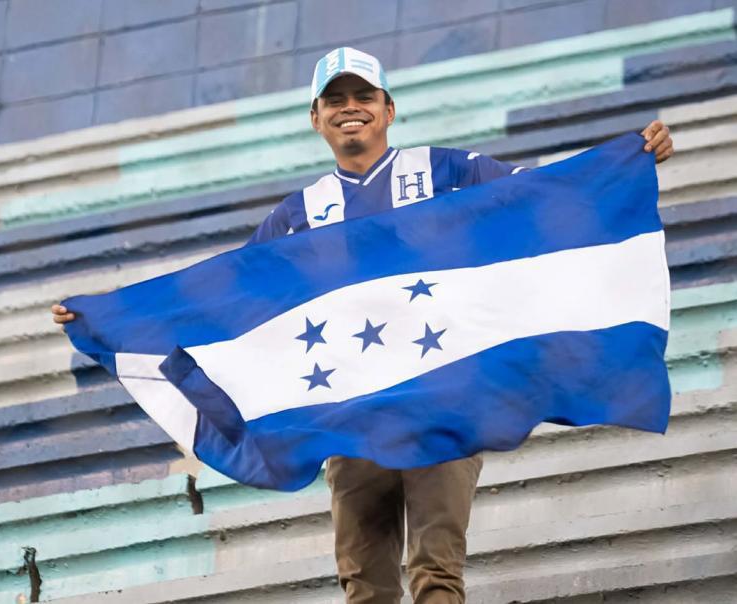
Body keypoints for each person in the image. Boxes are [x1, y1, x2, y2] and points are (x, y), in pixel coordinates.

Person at [53, 47, 674, 604]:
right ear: (316, 118)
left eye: (363, 98)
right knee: (365, 585)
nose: (351, 110)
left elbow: (541, 197)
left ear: (388, 109)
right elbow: (227, 301)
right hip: (350, 421)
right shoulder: (297, 216)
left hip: (443, 405)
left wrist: (627, 161)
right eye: (336, 101)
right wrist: (112, 317)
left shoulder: (446, 171)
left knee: (436, 573)